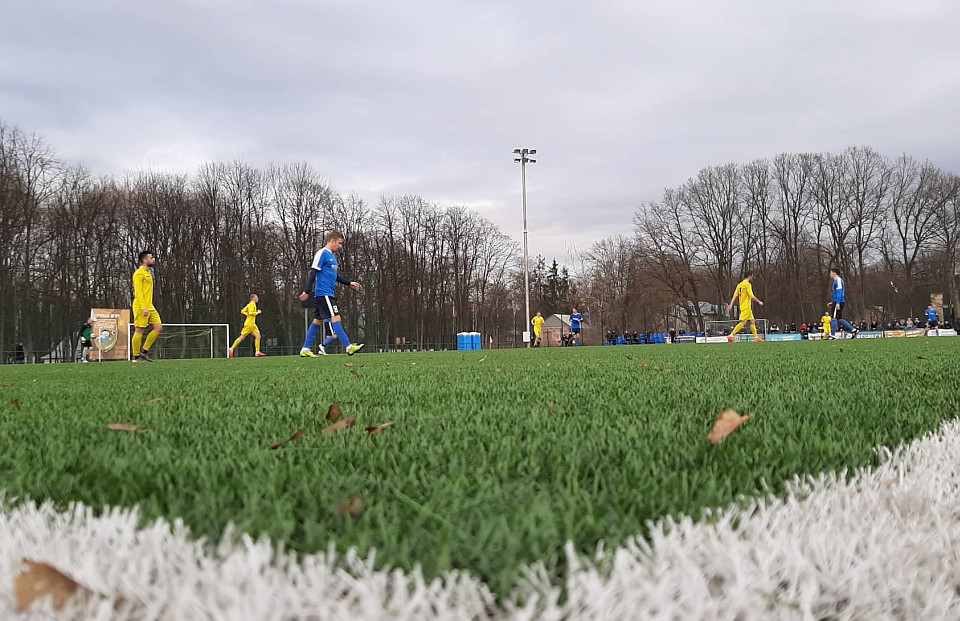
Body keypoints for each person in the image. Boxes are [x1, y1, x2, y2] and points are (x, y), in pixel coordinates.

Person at [297, 231, 363, 357]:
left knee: (317, 321)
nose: (340, 246)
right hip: (324, 294)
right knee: (336, 317)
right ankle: (348, 346)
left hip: (326, 294)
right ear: (332, 240)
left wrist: (349, 283)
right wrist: (307, 291)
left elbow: (334, 276)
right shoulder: (322, 253)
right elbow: (313, 272)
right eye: (339, 243)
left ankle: (305, 348)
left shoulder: (332, 257)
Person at [132, 250, 162, 362]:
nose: (153, 259)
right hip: (141, 306)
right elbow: (138, 292)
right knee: (139, 330)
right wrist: (143, 307)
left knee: (158, 327)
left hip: (150, 306)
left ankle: (144, 351)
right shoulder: (139, 274)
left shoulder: (147, 273)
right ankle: (136, 357)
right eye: (151, 257)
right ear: (145, 260)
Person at [726, 272, 764, 342]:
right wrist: (759, 301)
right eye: (752, 276)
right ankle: (731, 335)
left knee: (752, 321)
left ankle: (756, 337)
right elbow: (751, 296)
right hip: (746, 307)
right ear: (750, 276)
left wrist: (731, 304)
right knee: (743, 322)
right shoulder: (747, 284)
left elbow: (735, 296)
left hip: (744, 307)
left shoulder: (739, 285)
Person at [828, 268, 859, 339]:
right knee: (839, 319)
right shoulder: (836, 281)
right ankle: (853, 330)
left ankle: (832, 335)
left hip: (838, 301)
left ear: (834, 273)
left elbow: (839, 292)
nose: (830, 274)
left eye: (831, 272)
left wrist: (837, 303)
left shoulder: (838, 280)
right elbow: (837, 293)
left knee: (833, 318)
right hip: (837, 301)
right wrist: (833, 302)